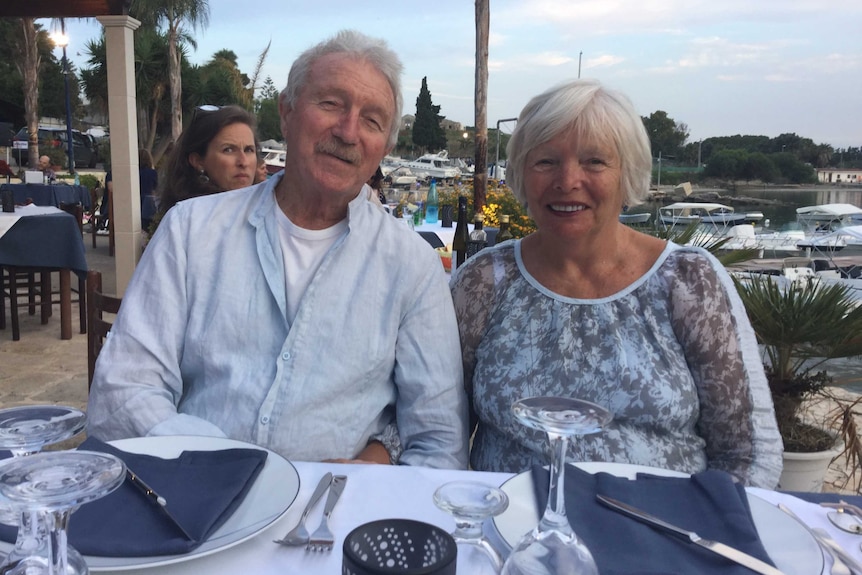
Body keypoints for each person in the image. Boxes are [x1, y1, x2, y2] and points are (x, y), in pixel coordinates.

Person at [87, 30, 468, 469]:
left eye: (372, 120)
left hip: (337, 517)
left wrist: (371, 490)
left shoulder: (412, 265)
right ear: (286, 113)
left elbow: (439, 440)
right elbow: (125, 389)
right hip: (196, 506)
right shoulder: (191, 231)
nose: (348, 132)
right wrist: (232, 470)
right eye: (330, 104)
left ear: (384, 147)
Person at [450, 79, 782, 488]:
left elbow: (748, 453)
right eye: (546, 162)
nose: (568, 180)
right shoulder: (484, 282)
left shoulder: (690, 281)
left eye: (594, 161)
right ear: (520, 173)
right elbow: (438, 420)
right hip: (513, 532)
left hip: (663, 534)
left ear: (628, 175)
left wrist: (705, 539)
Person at [157, 105, 259, 214]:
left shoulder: (267, 210)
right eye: (228, 150)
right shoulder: (184, 220)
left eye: (249, 150)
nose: (243, 162)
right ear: (198, 161)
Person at [138, 149, 158, 232]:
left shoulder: (136, 172)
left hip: (138, 200)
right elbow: (155, 189)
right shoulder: (153, 173)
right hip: (148, 201)